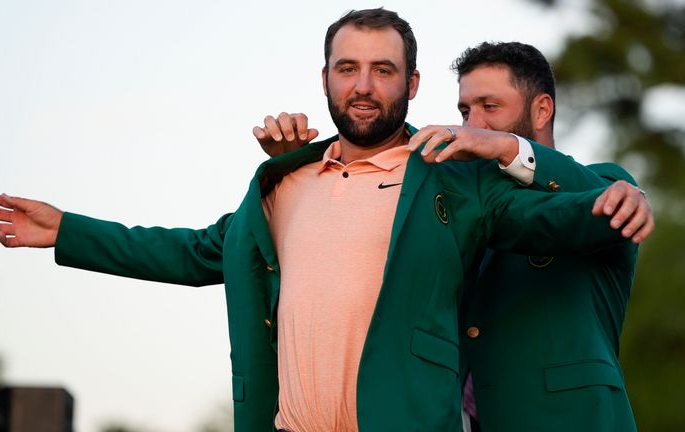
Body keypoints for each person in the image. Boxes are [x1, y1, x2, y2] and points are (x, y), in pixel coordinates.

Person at [0, 9, 651, 432]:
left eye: (383, 70)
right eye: (348, 68)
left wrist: (615, 199)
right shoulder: (283, 182)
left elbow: (565, 222)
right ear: (325, 78)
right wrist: (67, 230)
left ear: (410, 86)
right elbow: (194, 253)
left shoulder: (455, 181)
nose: (364, 86)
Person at [255, 42, 651, 432]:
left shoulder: (607, 183)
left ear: (542, 109)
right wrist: (292, 169)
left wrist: (507, 146)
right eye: (465, 110)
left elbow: (603, 206)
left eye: (489, 107)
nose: (472, 124)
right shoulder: (454, 202)